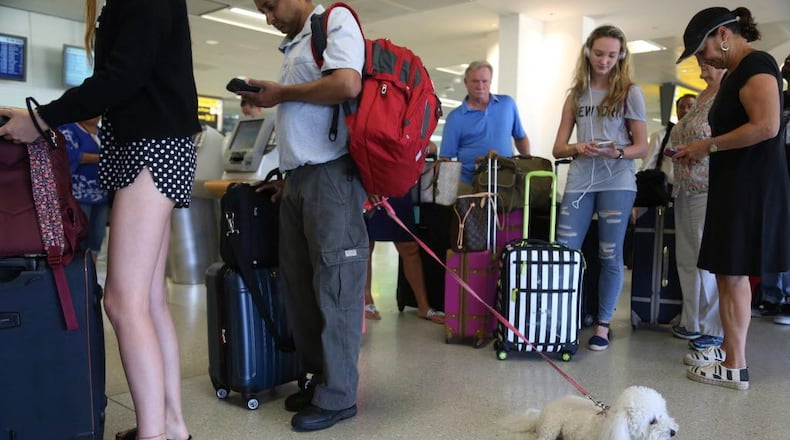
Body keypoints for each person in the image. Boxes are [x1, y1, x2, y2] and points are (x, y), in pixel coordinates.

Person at [0, 1, 199, 438]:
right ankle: (171, 426)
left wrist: (41, 117)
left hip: (151, 145)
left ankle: (155, 434)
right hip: (155, 144)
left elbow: (121, 77)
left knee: (123, 301)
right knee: (146, 299)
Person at [241, 0, 366, 432]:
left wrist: (281, 92)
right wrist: (287, 178)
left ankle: (340, 395)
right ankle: (320, 380)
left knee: (335, 288)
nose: (268, 16)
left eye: (270, 5)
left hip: (332, 176)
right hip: (299, 179)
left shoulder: (334, 20)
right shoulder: (295, 44)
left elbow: (348, 84)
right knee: (302, 289)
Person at [674, 6, 790, 390]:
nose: (700, 58)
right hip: (733, 181)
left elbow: (767, 125)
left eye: (701, 48)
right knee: (727, 270)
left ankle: (735, 365)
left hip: (750, 183)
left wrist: (708, 145)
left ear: (723, 34)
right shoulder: (738, 73)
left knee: (734, 271)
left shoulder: (757, 63)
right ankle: (728, 350)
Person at [551, 25, 648, 351]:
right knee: (565, 254)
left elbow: (642, 147)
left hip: (617, 181)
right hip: (580, 182)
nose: (604, 60)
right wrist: (578, 147)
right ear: (588, 53)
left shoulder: (629, 92)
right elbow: (558, 148)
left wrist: (616, 151)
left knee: (609, 255)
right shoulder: (575, 95)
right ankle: (563, 318)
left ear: (620, 55)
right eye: (598, 53)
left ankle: (603, 326)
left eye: (611, 54)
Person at [668, 60, 726, 353]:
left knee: (708, 260)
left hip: (708, 186)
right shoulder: (702, 96)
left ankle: (713, 328)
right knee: (687, 259)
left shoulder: (725, 95)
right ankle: (692, 321)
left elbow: (721, 141)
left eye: (708, 64)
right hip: (684, 186)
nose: (702, 69)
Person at [439, 60, 530, 191]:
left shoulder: (507, 105)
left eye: (484, 81)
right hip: (470, 185)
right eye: (475, 81)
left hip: (507, 181)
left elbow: (520, 137)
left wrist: (527, 165)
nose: (480, 86)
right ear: (466, 82)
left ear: (490, 81)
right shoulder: (455, 117)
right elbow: (445, 159)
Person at [364, 195, 444, 324]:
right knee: (365, 245)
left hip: (396, 187)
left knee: (410, 246)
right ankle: (366, 301)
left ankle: (423, 306)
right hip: (368, 186)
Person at [756, 53, 790, 326]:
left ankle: (787, 299)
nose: (786, 66)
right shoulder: (780, 100)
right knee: (773, 234)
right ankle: (770, 297)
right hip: (777, 174)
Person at [60, 116, 110, 262]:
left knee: (97, 234)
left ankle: (91, 272)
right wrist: (104, 158)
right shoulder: (69, 129)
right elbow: (72, 156)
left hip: (102, 193)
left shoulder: (102, 132)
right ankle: (76, 271)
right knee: (79, 232)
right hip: (79, 193)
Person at [641, 94, 696, 186]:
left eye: (690, 107)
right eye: (681, 107)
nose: (685, 110)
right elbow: (648, 165)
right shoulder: (661, 136)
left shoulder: (705, 137)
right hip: (667, 190)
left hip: (695, 190)